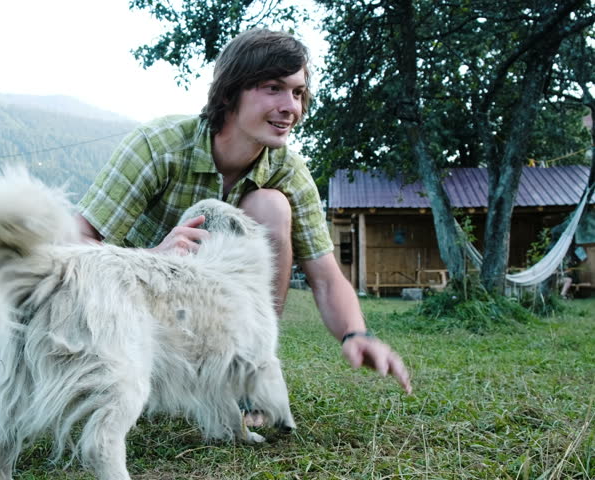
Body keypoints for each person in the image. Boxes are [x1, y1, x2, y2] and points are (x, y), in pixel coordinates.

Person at [75, 28, 412, 398]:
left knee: (270, 205)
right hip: (135, 309)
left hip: (212, 317)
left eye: (298, 92)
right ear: (230, 92)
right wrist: (151, 260)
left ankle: (250, 371)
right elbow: (73, 243)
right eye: (273, 88)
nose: (291, 107)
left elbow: (327, 277)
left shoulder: (289, 171)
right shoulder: (159, 145)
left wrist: (356, 333)